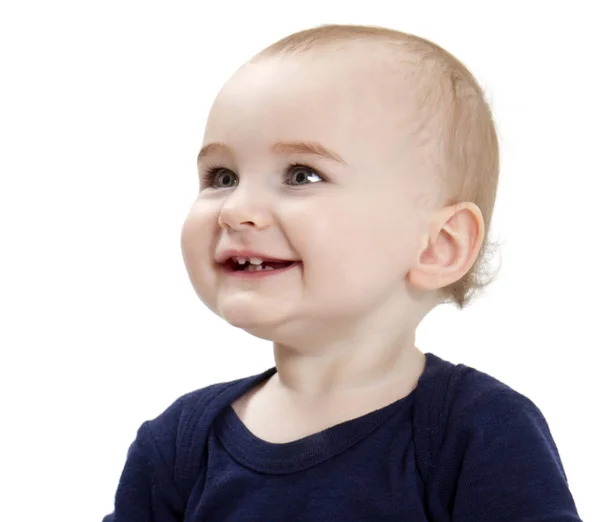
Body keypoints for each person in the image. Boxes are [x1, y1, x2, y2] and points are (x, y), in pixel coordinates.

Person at [103, 24, 582, 521]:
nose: (236, 209)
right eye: (222, 178)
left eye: (302, 175)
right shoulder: (178, 446)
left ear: (437, 246)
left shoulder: (478, 431)